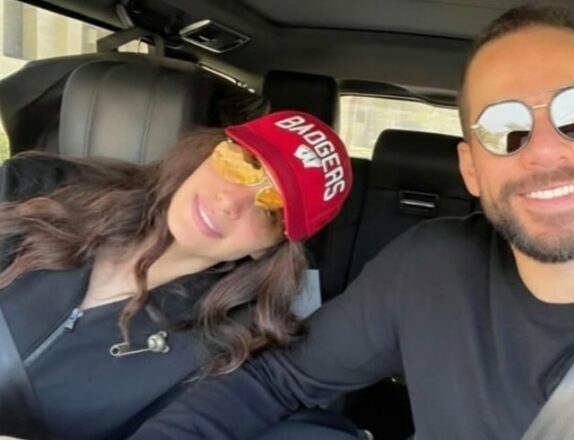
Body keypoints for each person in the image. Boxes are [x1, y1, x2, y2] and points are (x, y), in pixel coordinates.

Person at [132, 5, 574, 440]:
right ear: (470, 169)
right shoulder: (428, 267)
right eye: (504, 127)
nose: (545, 152)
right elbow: (276, 380)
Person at [0, 110, 352, 439]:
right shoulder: (34, 187)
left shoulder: (225, 355)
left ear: (269, 247)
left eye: (269, 210)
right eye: (242, 164)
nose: (231, 202)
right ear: (211, 151)